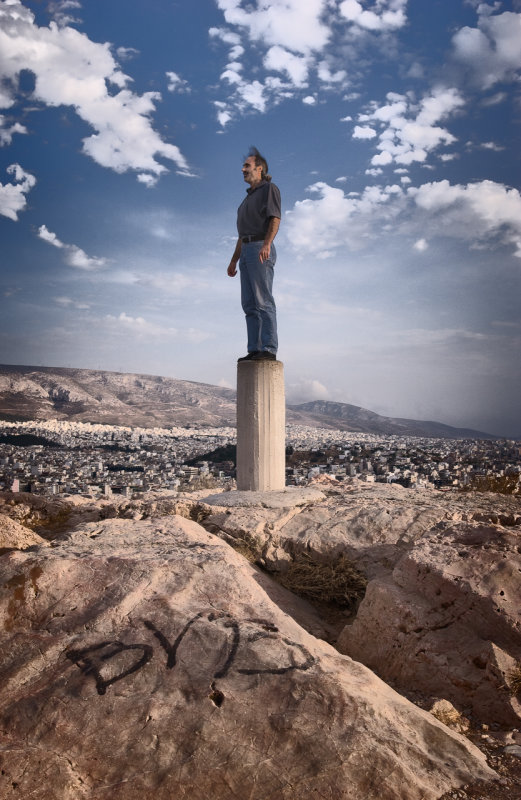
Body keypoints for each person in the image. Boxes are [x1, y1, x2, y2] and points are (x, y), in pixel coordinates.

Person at [227, 146, 281, 362]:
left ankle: (268, 348)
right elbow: (242, 235)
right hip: (246, 251)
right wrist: (233, 260)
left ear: (259, 169)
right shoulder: (245, 201)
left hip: (260, 247)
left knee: (263, 300)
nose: (243, 169)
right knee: (249, 304)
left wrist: (267, 244)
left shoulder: (269, 189)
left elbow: (275, 218)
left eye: (247, 166)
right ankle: (254, 349)